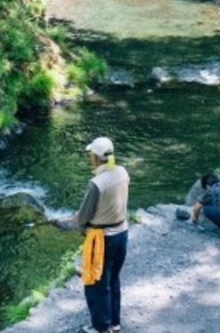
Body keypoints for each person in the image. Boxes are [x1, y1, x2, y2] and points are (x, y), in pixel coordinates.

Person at [73, 137, 130, 333]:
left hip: (102, 239)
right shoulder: (122, 172)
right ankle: (114, 323)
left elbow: (84, 214)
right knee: (113, 279)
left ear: (96, 158)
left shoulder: (96, 183)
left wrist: (79, 227)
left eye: (91, 155)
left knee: (96, 284)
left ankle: (100, 327)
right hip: (122, 233)